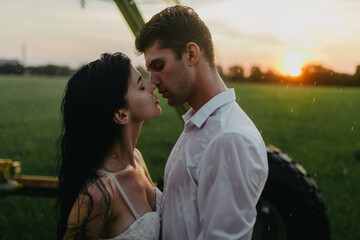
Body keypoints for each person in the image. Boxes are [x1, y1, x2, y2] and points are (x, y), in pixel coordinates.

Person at [135, 5, 269, 240]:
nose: (153, 82)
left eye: (159, 66)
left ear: (191, 54)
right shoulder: (200, 124)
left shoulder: (229, 138)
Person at [56, 52, 162, 240]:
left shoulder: (137, 159)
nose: (152, 85)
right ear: (121, 115)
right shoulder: (97, 194)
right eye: (140, 85)